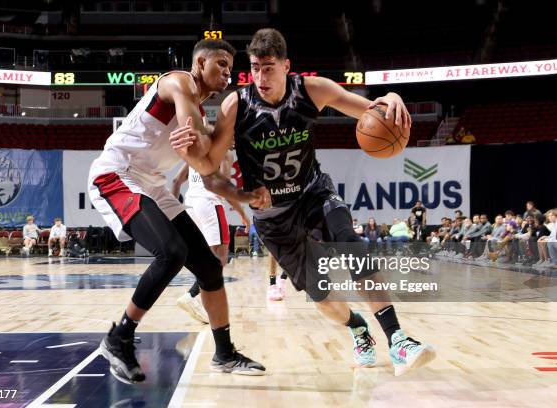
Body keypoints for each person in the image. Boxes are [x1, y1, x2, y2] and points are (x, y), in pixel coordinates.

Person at [170, 28, 434, 376]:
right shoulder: (237, 105)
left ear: (286, 66)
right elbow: (209, 172)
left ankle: (398, 340)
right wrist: (200, 161)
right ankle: (358, 328)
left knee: (352, 246)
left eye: (268, 68)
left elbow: (371, 110)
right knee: (321, 295)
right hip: (273, 216)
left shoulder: (312, 90)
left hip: (313, 192)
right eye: (255, 68)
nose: (261, 77)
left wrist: (391, 97)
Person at [87, 39, 265, 384]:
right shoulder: (178, 83)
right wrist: (211, 144)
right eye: (220, 64)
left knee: (211, 268)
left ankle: (225, 353)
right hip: (117, 173)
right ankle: (118, 338)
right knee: (171, 252)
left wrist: (239, 190)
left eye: (231, 66)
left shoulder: (202, 114)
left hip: (150, 181)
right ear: (199, 63)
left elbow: (208, 167)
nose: (227, 71)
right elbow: (202, 154)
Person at [171, 151, 250, 323]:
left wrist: (173, 212)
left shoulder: (195, 151)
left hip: (191, 205)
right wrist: (242, 213)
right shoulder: (226, 154)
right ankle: (191, 296)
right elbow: (226, 188)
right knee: (219, 259)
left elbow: (176, 181)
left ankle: (196, 298)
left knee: (207, 259)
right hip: (209, 204)